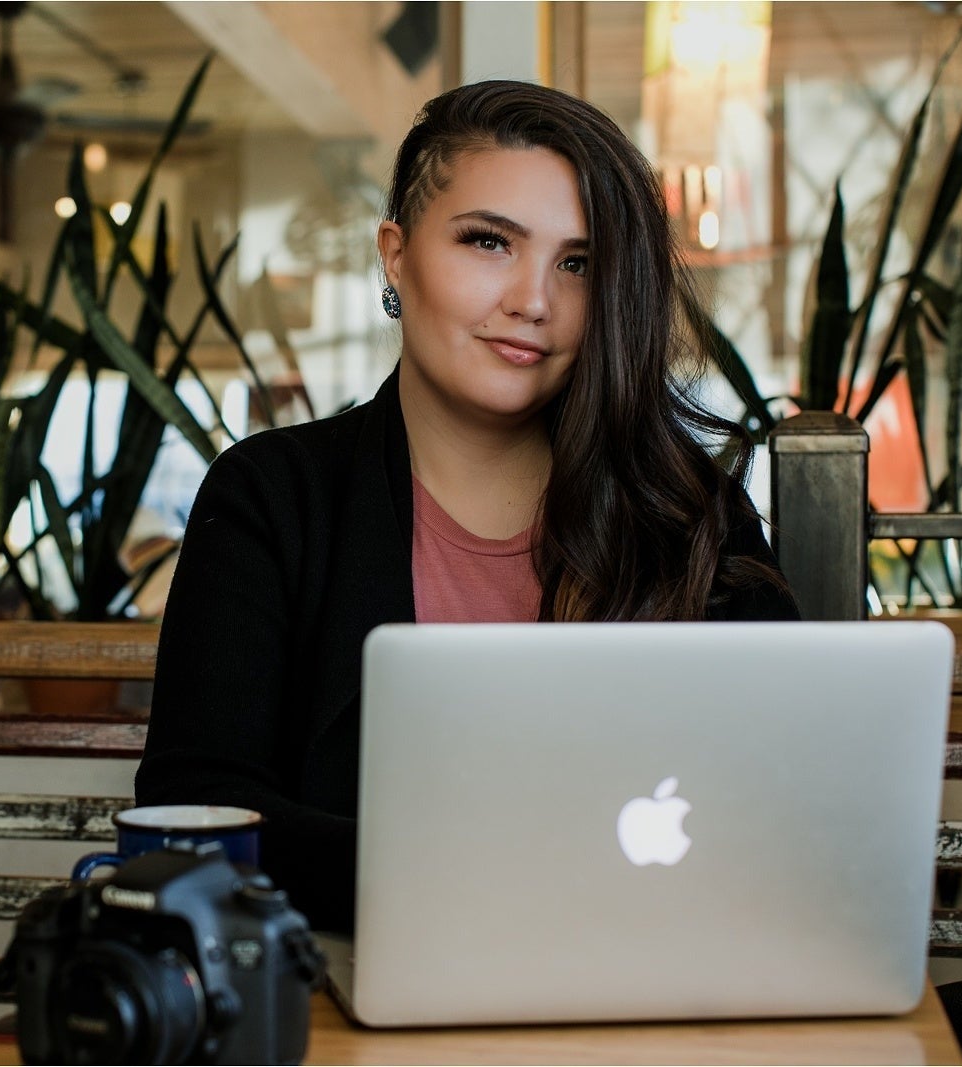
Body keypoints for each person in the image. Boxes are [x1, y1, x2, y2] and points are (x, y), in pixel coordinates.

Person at [135, 80, 799, 934]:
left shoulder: (683, 508)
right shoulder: (272, 496)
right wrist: (490, 875)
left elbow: (783, 788)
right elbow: (197, 809)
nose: (534, 300)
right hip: (358, 997)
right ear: (396, 255)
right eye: (490, 242)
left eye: (578, 263)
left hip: (652, 980)